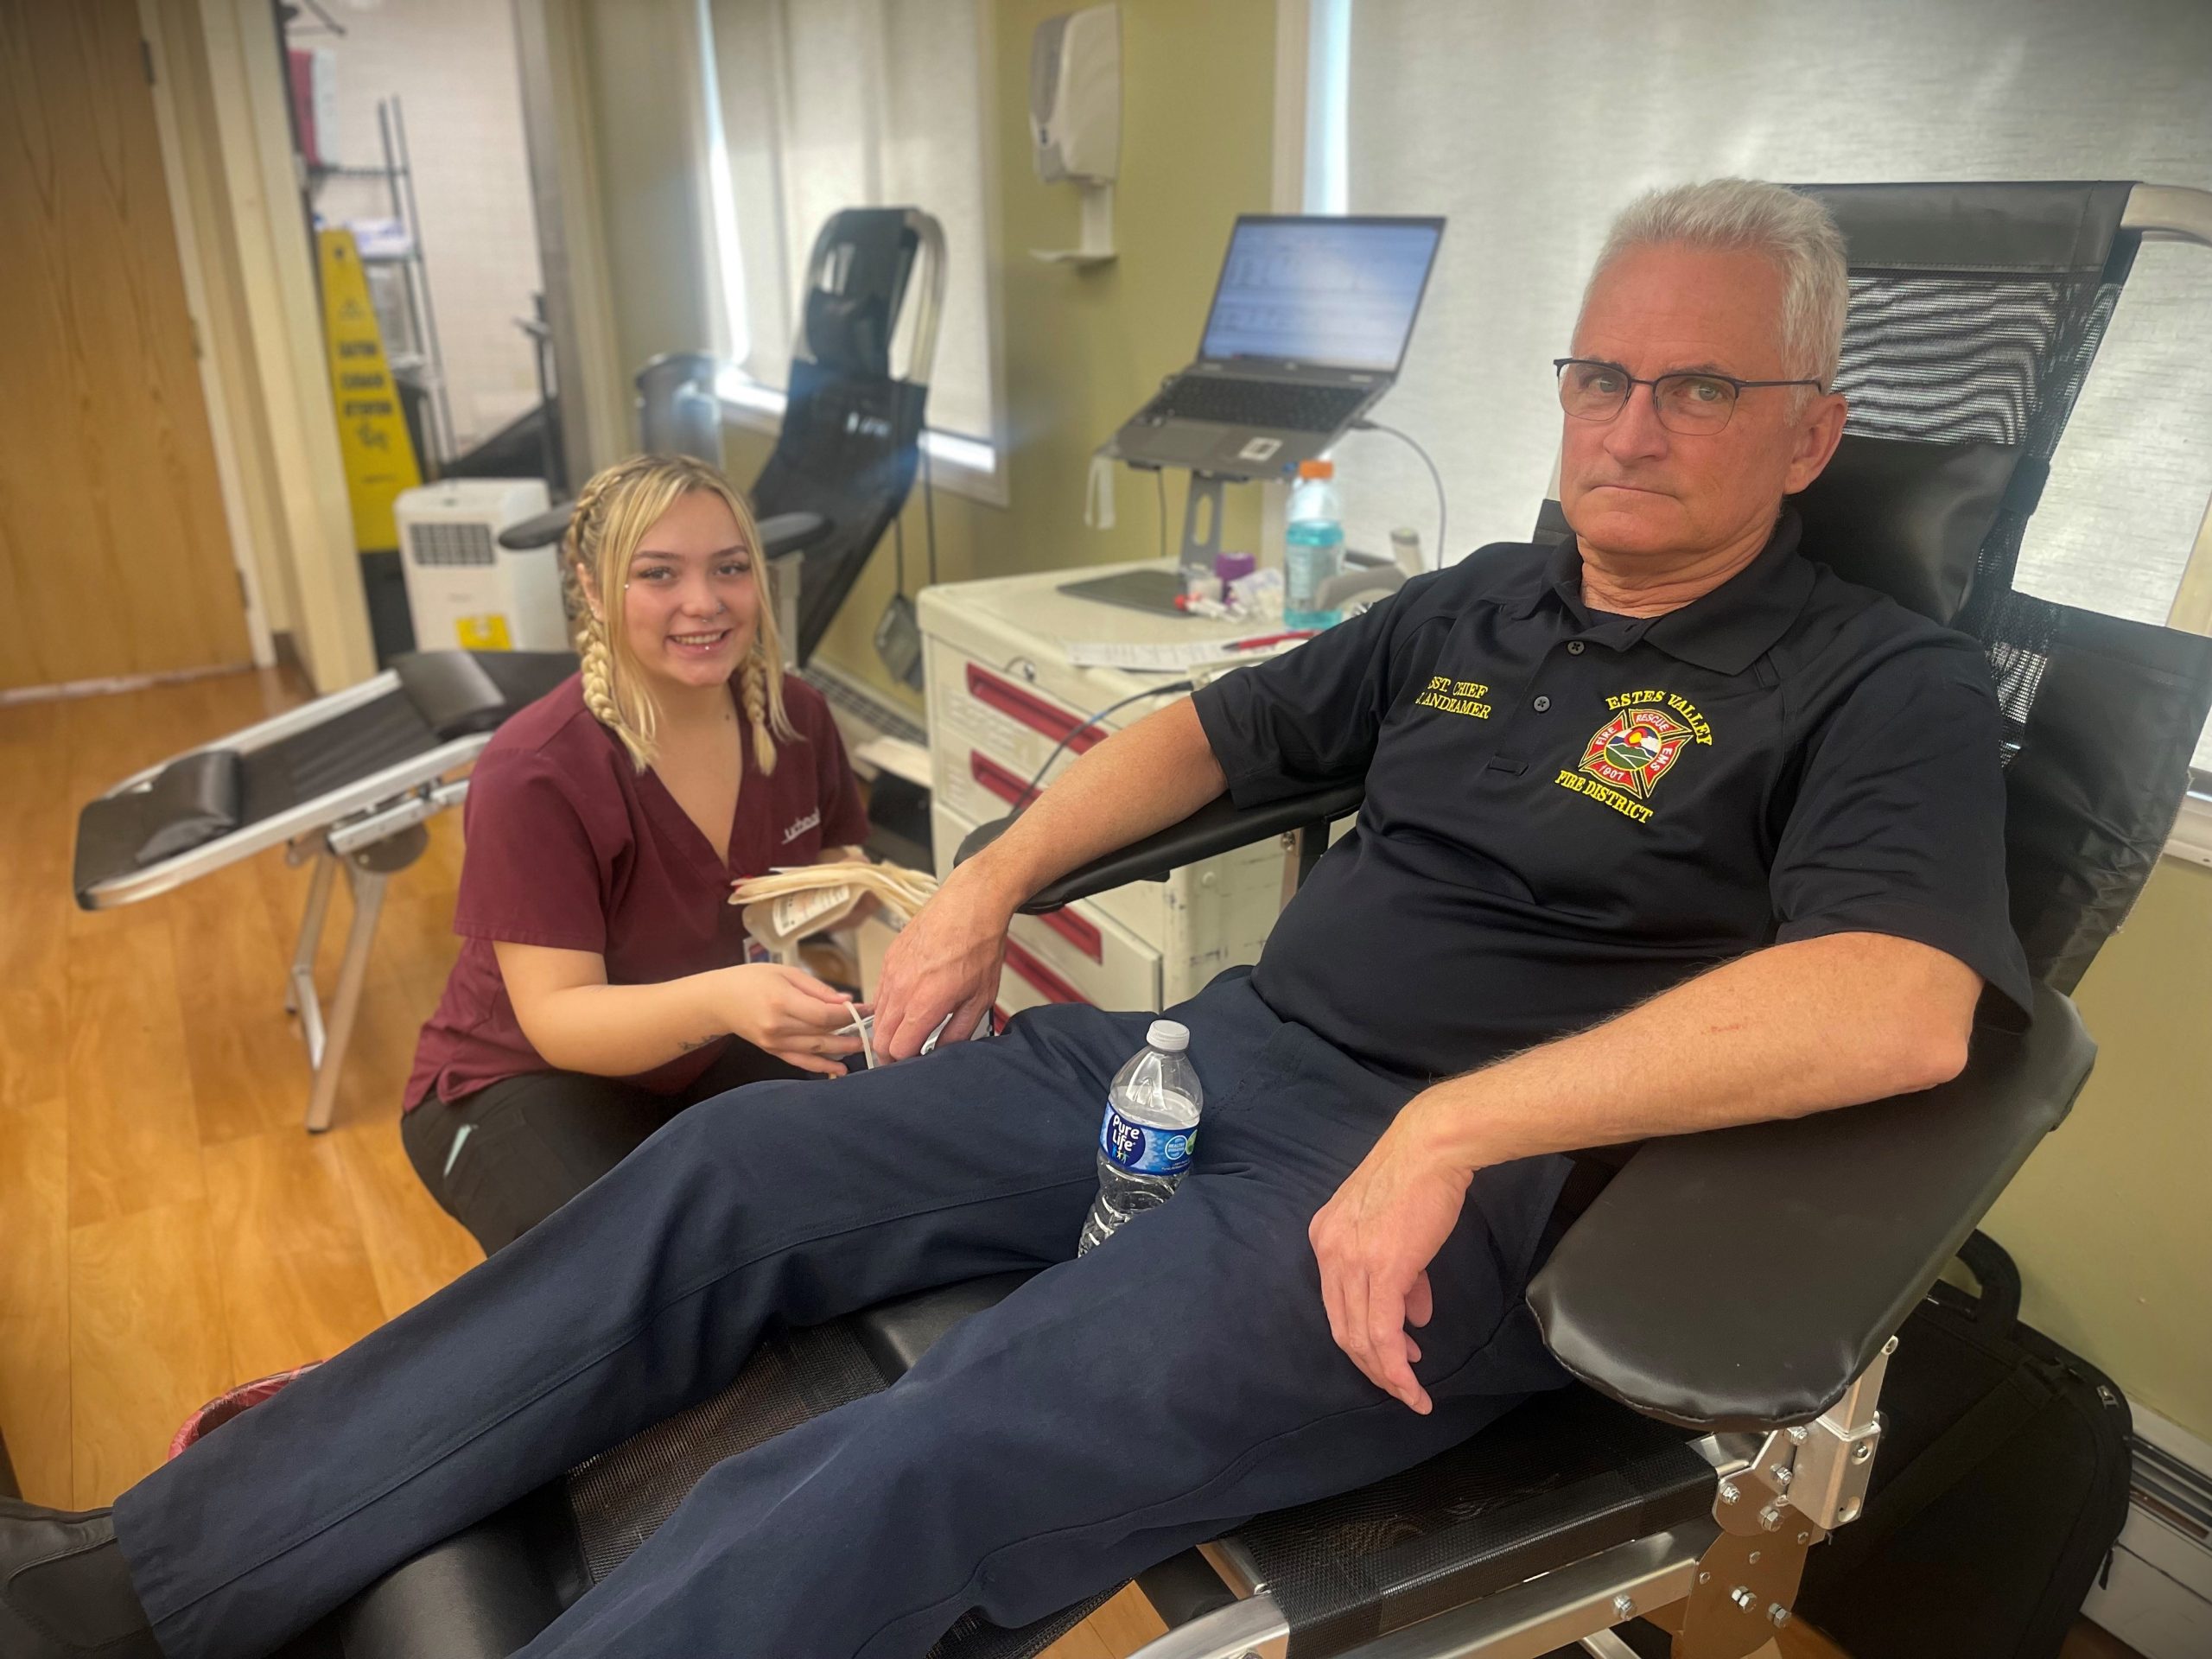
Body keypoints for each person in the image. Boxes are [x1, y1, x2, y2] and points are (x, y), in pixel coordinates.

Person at [1, 180, 2032, 1659]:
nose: (1625, 425)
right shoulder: (1478, 602)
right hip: (1192, 1072)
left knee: (935, 1439)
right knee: (719, 1173)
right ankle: (158, 1575)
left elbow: (1895, 1002)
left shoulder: (1876, 684)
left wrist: (1449, 1127)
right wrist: (975, 882)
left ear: (1806, 432)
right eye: (1599, 374)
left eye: (1693, 388)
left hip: (1441, 1210)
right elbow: (1206, 730)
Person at [398, 454, 874, 1252]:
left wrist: (850, 896)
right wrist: (730, 998)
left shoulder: (795, 719)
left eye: (730, 568)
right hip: (523, 1080)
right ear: (592, 589)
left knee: (885, 1166)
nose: (705, 603)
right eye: (659, 574)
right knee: (635, 1272)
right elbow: (558, 1018)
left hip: (702, 1051)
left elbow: (841, 861)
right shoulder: (536, 770)